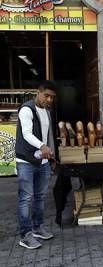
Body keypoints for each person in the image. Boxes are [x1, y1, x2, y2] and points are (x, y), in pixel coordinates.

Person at [15, 80, 57, 249]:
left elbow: (49, 136)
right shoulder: (26, 109)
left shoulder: (47, 111)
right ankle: (25, 236)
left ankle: (37, 227)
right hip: (25, 160)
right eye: (46, 95)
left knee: (40, 196)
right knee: (26, 198)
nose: (49, 100)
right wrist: (42, 146)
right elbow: (26, 134)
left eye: (52, 97)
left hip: (43, 161)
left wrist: (51, 156)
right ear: (38, 92)